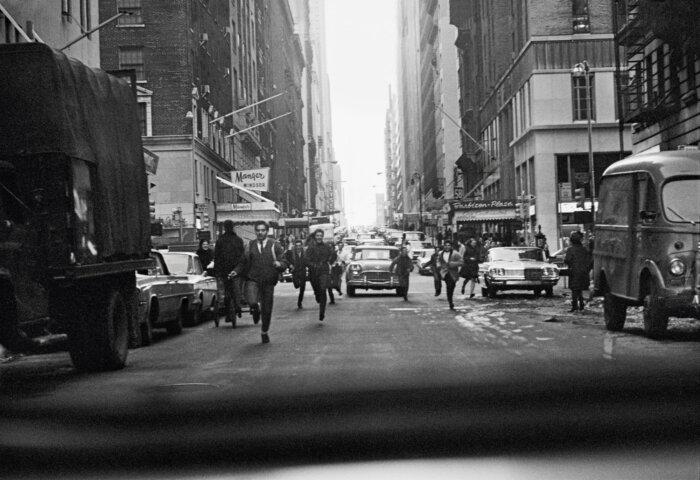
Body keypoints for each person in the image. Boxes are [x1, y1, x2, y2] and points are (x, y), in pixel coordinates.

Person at [232, 221, 287, 343]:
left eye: (263, 230)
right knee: (251, 300)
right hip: (253, 279)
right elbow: (243, 262)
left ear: (267, 231)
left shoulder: (275, 246)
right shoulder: (249, 245)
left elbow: (284, 262)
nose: (260, 232)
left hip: (268, 281)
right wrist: (236, 271)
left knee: (267, 308)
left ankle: (264, 331)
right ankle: (255, 307)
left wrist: (279, 264)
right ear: (255, 231)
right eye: (258, 230)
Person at [214, 220, 245, 323]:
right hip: (236, 270)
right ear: (233, 227)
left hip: (224, 271)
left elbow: (217, 257)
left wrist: (217, 271)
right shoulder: (238, 240)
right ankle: (238, 306)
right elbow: (242, 256)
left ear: (224, 228)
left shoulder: (220, 241)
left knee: (226, 292)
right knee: (237, 289)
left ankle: (228, 313)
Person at [305, 228, 337, 321]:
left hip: (324, 271)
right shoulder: (311, 247)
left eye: (321, 236)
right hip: (313, 272)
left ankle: (322, 312)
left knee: (323, 290)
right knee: (317, 290)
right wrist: (313, 265)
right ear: (315, 237)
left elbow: (333, 254)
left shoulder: (327, 246)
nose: (319, 237)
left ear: (323, 236)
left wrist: (330, 262)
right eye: (317, 236)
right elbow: (306, 260)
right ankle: (316, 295)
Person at [564, 231, 592, 312]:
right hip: (584, 272)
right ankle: (582, 305)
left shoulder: (570, 249)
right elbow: (589, 260)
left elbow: (567, 260)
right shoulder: (584, 249)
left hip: (574, 271)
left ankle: (575, 306)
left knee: (574, 289)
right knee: (580, 289)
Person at [437, 240, 463, 310]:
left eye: (448, 245)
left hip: (453, 273)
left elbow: (461, 262)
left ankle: (450, 299)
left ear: (451, 246)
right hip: (445, 273)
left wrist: (453, 264)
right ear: (444, 246)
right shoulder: (440, 253)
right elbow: (438, 261)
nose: (447, 247)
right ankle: (450, 302)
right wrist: (439, 266)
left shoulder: (456, 254)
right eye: (446, 245)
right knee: (449, 286)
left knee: (451, 287)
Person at [285, 238, 308, 309]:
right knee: (296, 285)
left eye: (299, 245)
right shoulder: (291, 252)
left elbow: (308, 261)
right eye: (297, 245)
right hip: (295, 272)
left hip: (303, 272)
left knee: (302, 288)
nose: (298, 247)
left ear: (301, 246)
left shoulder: (305, 253)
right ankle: (297, 284)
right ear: (295, 246)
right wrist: (290, 265)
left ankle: (299, 302)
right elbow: (285, 259)